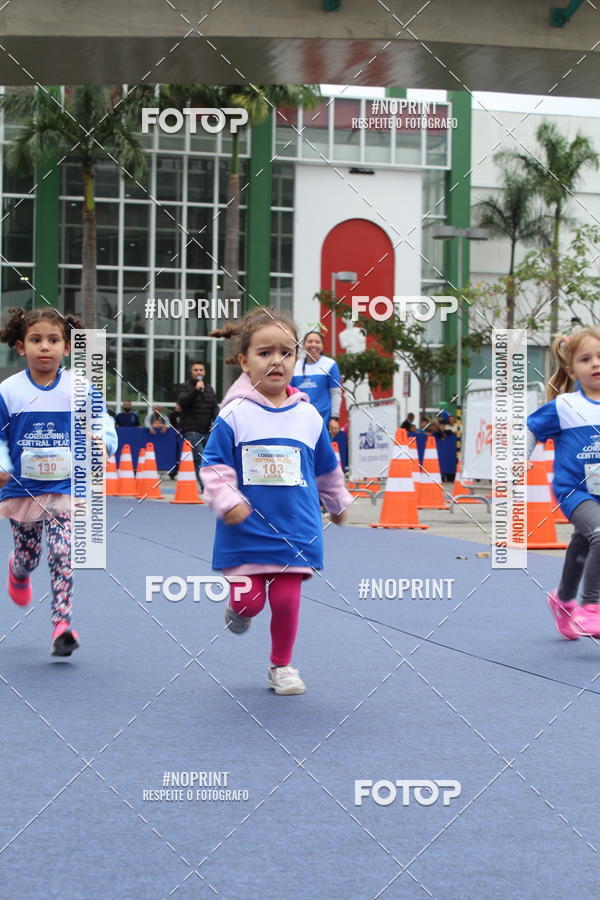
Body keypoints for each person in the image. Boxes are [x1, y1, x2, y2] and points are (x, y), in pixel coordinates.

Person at [200, 307, 352, 695]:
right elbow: (214, 466)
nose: (276, 361)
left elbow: (326, 467)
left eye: (286, 352)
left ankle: (281, 666)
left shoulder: (308, 417)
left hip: (295, 531)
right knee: (250, 602)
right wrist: (226, 498)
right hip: (245, 532)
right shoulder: (234, 415)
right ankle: (237, 609)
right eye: (264, 352)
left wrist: (337, 502)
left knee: (285, 602)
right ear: (244, 361)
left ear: (297, 359)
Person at [0, 307, 117, 655]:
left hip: (64, 488)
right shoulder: (8, 391)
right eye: (36, 340)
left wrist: (103, 442)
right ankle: (17, 571)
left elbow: (101, 421)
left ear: (67, 347)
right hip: (22, 489)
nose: (45, 347)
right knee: (29, 555)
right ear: (21, 347)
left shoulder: (79, 388)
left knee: (64, 552)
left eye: (54, 340)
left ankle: (62, 625)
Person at [527, 328, 600, 640]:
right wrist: (519, 458)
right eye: (586, 359)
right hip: (575, 490)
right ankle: (591, 606)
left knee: (582, 544)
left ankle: (563, 600)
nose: (595, 364)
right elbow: (530, 427)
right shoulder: (565, 406)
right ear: (572, 370)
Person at [177, 361, 219, 486]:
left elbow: (214, 407)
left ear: (204, 372)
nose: (198, 372)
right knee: (199, 458)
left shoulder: (209, 388)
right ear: (191, 372)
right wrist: (195, 390)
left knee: (209, 460)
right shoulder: (184, 387)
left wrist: (216, 422)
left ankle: (208, 485)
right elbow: (183, 402)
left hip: (207, 430)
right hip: (191, 430)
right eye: (196, 370)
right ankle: (206, 487)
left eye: (201, 370)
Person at [290, 330, 342, 429]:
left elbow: (335, 393)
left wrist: (334, 418)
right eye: (310, 341)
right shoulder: (295, 365)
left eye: (317, 342)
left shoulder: (330, 364)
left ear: (322, 346)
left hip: (324, 420)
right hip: (299, 419)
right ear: (304, 345)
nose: (313, 345)